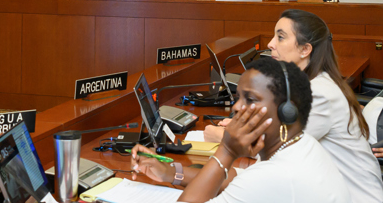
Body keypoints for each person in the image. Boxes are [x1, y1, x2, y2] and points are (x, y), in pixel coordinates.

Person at [204, 9, 383, 201]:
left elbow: (277, 149)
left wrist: (224, 136)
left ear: (305, 49)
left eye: (280, 37)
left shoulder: (319, 93)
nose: (270, 44)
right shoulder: (309, 84)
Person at [132, 58, 350, 203]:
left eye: (250, 99)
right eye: (238, 98)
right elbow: (236, 178)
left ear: (287, 110)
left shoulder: (275, 175)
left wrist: (226, 150)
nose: (236, 107)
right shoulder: (303, 145)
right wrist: (170, 173)